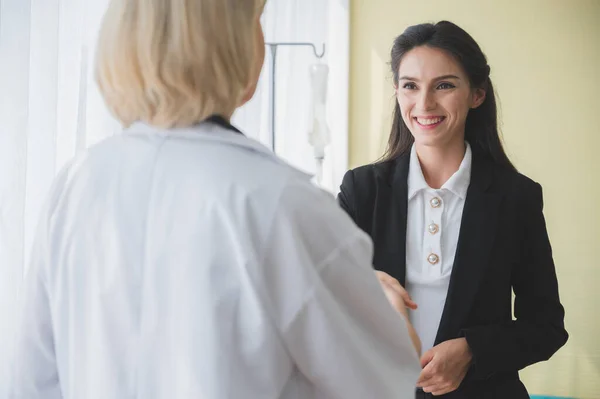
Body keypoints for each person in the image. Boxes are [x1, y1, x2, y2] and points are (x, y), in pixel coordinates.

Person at [9, 1, 422, 398]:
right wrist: (382, 301)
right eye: (258, 20)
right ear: (234, 43)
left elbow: (32, 384)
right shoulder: (282, 203)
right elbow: (383, 385)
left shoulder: (77, 185)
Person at [338, 21, 568, 399]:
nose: (424, 104)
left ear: (477, 94)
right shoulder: (361, 190)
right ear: (397, 91)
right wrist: (371, 284)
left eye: (444, 85)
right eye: (410, 85)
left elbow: (545, 327)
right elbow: (323, 309)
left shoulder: (516, 198)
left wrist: (473, 350)